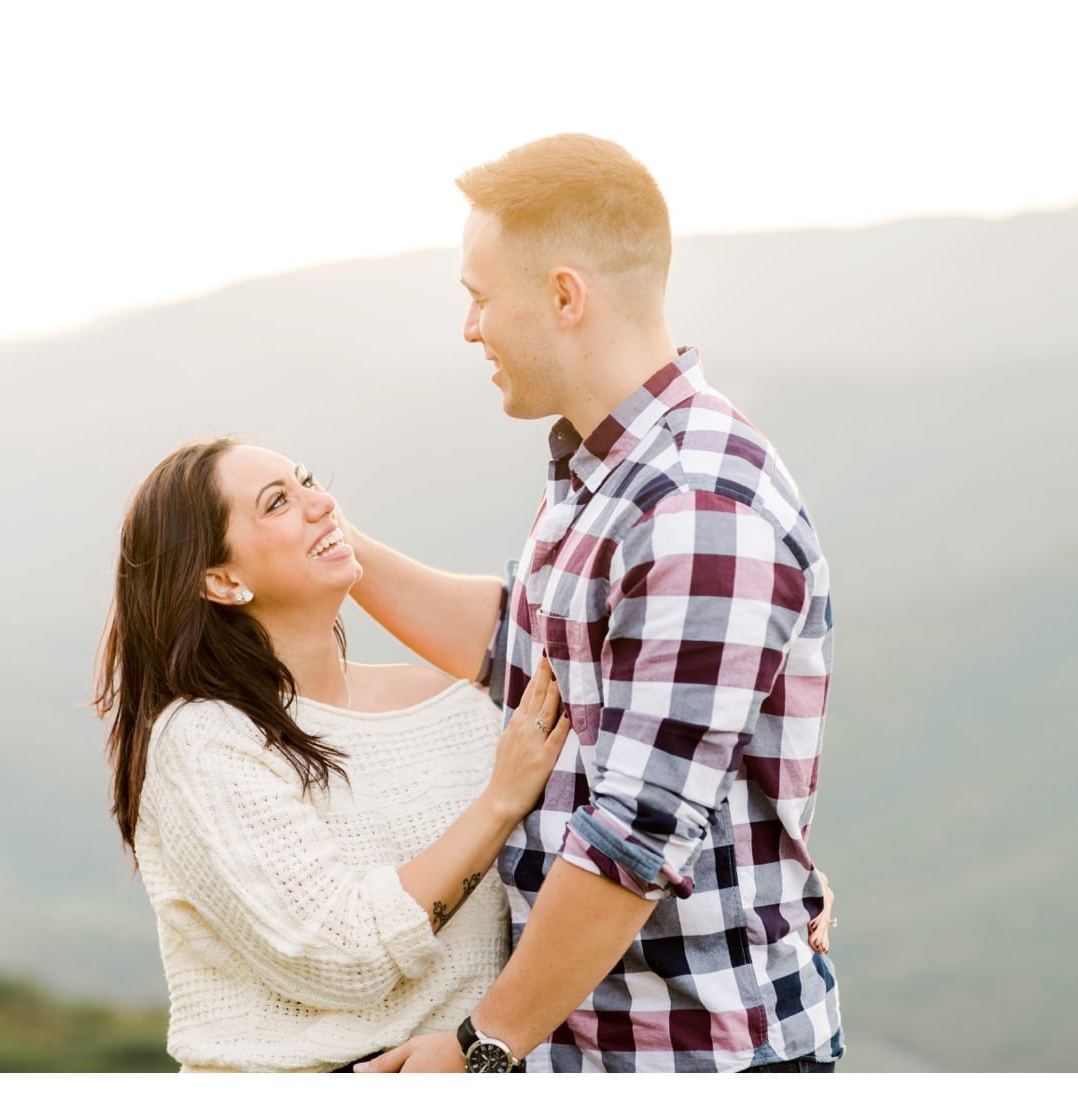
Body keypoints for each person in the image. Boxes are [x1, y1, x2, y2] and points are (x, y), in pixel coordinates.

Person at [347, 133, 845, 1073]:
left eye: (479, 298)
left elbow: (635, 834)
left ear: (565, 295)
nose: (469, 329)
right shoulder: (601, 473)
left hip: (699, 1055)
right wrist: (335, 546)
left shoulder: (701, 504)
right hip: (598, 1050)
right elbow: (525, 650)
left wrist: (479, 1047)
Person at [93, 436, 573, 1072]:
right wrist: (500, 802)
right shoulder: (206, 739)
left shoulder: (462, 706)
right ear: (223, 579)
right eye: (277, 503)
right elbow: (341, 956)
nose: (320, 503)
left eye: (308, 480)